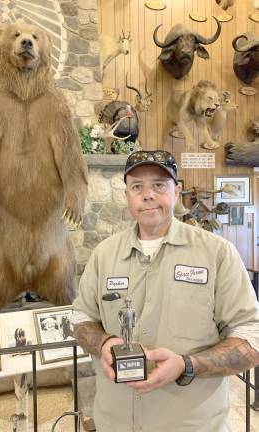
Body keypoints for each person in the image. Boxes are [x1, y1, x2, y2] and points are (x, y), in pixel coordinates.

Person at [72, 150, 259, 432]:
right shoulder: (103, 255)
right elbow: (80, 318)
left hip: (193, 425)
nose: (147, 195)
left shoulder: (217, 253)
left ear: (177, 191)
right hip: (115, 422)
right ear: (127, 196)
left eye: (159, 185)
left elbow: (251, 336)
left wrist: (187, 365)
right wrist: (104, 343)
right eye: (137, 187)